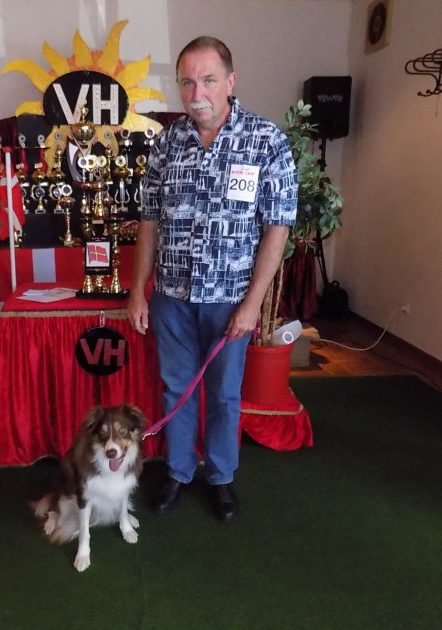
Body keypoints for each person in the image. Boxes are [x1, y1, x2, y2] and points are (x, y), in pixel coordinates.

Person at [127, 37, 298, 522]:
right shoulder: (166, 143)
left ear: (230, 81)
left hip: (230, 300)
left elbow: (278, 227)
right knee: (175, 389)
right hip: (172, 297)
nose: (196, 92)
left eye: (208, 80)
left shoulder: (266, 141)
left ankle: (221, 477)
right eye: (187, 81)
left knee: (223, 394)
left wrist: (253, 303)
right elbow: (149, 221)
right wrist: (139, 290)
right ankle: (179, 472)